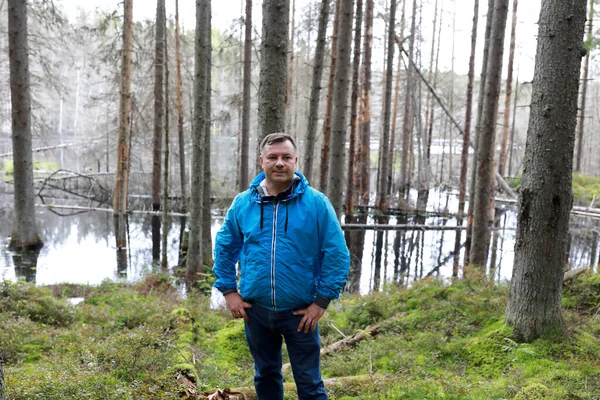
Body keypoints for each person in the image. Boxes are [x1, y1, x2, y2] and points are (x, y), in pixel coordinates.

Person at [213, 132, 350, 399]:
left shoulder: (316, 203)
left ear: (295, 161)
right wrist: (229, 291)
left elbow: (337, 254)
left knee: (309, 383)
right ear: (262, 160)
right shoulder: (244, 203)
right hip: (257, 311)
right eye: (273, 157)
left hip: (300, 314)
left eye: (286, 157)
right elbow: (224, 247)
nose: (279, 163)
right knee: (265, 376)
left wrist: (321, 301)